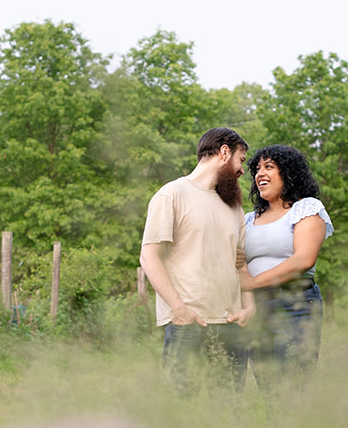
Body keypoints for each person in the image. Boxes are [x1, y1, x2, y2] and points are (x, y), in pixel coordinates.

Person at [139, 127, 256, 391]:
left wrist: (248, 306)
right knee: (184, 415)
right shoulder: (172, 194)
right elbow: (149, 257)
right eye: (241, 160)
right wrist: (178, 308)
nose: (242, 170)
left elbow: (241, 262)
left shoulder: (234, 206)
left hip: (231, 326)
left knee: (228, 413)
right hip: (188, 325)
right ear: (224, 152)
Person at [238, 144, 332, 379]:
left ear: (288, 173)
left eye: (269, 167)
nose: (260, 173)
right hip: (257, 308)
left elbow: (303, 259)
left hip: (294, 304)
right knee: (267, 383)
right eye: (257, 169)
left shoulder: (306, 208)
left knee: (293, 384)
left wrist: (252, 282)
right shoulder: (248, 219)